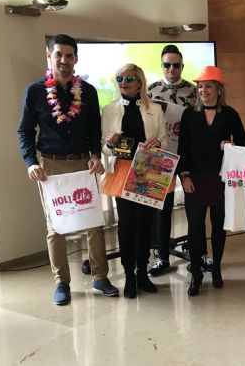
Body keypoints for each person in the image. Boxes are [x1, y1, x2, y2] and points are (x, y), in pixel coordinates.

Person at [17, 34, 119, 305]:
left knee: (94, 223)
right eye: (58, 54)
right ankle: (61, 282)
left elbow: (94, 130)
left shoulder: (88, 91)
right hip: (50, 166)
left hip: (84, 163)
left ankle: (100, 277)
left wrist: (96, 155)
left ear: (75, 59)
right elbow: (24, 131)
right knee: (56, 227)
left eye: (69, 55)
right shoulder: (34, 91)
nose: (64, 60)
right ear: (49, 56)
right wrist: (31, 162)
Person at [177, 66, 245, 296]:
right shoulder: (189, 114)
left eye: (208, 86)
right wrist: (184, 176)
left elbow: (244, 145)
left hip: (221, 180)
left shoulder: (230, 114)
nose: (203, 90)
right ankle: (196, 274)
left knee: (218, 227)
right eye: (200, 87)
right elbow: (182, 148)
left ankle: (216, 268)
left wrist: (230, 146)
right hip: (194, 180)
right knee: (195, 228)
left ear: (219, 89)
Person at [100, 64, 168, 298]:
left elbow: (164, 141)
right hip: (121, 171)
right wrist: (110, 144)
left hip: (147, 169)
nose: (123, 82)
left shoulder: (155, 109)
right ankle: (129, 274)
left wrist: (158, 144)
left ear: (140, 82)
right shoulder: (109, 110)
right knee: (127, 225)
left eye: (129, 78)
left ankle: (142, 272)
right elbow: (105, 148)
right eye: (119, 78)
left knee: (145, 224)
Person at [147, 44, 201, 277]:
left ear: (182, 66)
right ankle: (162, 257)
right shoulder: (150, 91)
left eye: (176, 65)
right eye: (167, 65)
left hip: (189, 154)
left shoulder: (194, 91)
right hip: (161, 156)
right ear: (162, 66)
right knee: (162, 209)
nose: (171, 69)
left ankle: (199, 253)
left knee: (195, 206)